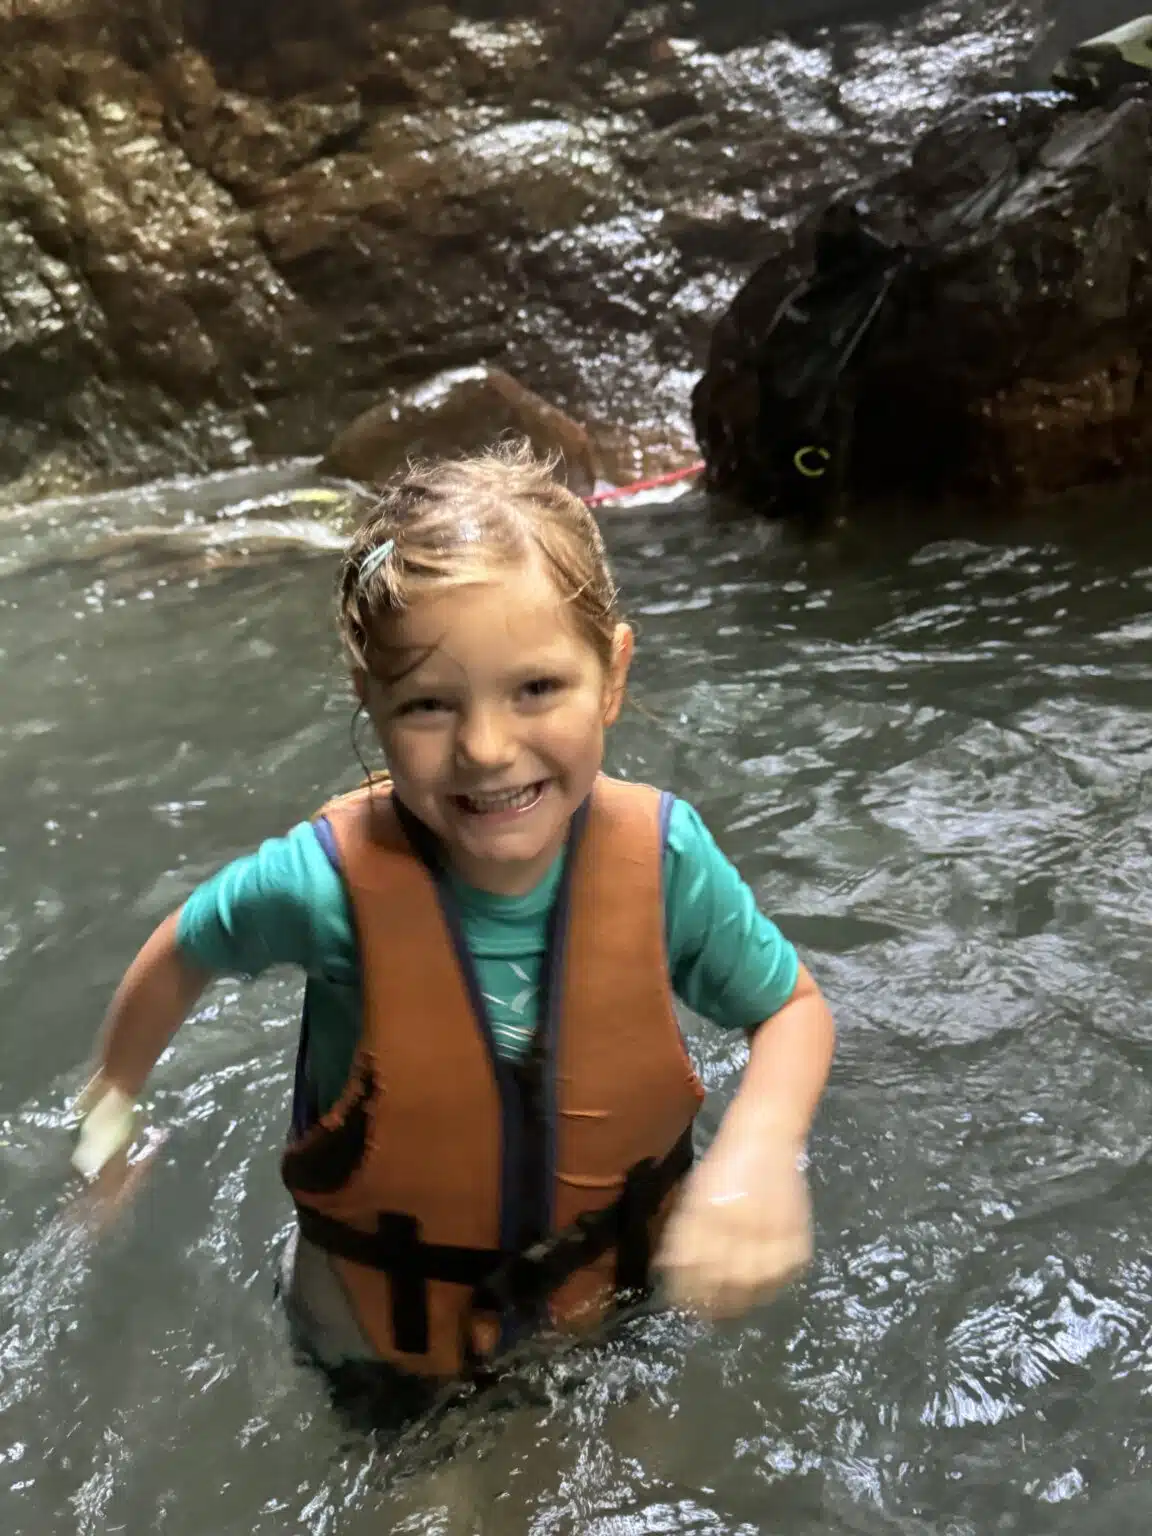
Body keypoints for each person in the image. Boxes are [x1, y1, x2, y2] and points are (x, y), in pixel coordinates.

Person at [74, 442, 835, 1387]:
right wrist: (108, 1121)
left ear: (615, 675)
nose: (485, 747)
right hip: (386, 1348)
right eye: (431, 704)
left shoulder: (666, 864)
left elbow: (792, 1010)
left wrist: (760, 1151)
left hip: (621, 1310)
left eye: (537, 689)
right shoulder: (323, 887)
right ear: (372, 702)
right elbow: (187, 948)